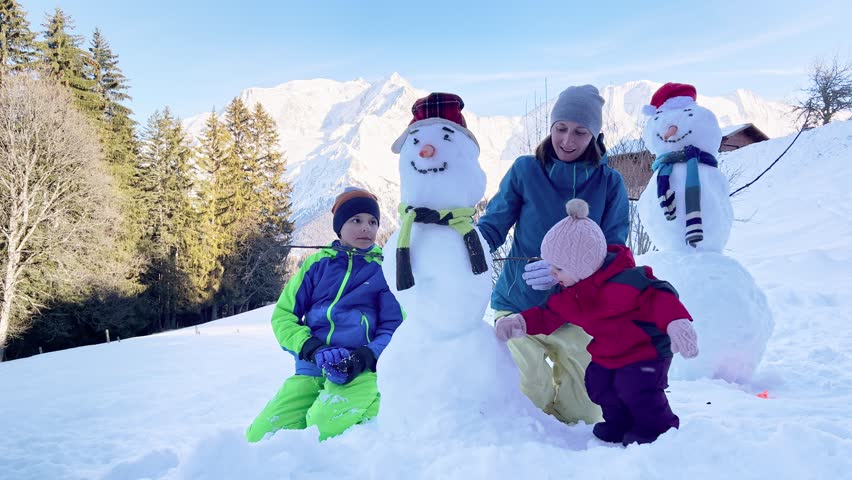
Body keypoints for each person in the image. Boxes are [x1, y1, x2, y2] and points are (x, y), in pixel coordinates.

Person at [477, 84, 630, 424]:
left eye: (580, 131)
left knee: (587, 411)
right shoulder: (525, 171)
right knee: (529, 392)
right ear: (551, 127)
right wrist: (463, 248)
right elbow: (493, 226)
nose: (568, 140)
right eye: (561, 128)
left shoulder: (610, 183)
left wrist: (571, 271)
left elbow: (617, 252)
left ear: (595, 134)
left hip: (578, 310)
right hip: (519, 304)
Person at [495, 199, 698, 445]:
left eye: (558, 268)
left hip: (646, 351)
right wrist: (519, 322)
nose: (552, 273)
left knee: (635, 389)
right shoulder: (571, 293)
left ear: (581, 265)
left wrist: (676, 322)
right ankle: (619, 424)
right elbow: (547, 314)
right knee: (598, 384)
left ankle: (657, 431)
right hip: (609, 353)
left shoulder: (626, 281)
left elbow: (659, 295)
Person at [246, 187, 404, 442]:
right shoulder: (316, 265)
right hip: (312, 367)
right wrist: (313, 349)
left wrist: (365, 357)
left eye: (373, 222)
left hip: (361, 370)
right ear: (339, 227)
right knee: (260, 437)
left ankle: (378, 401)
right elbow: (284, 316)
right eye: (356, 220)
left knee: (320, 426)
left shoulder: (382, 270)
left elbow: (394, 328)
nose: (367, 228)